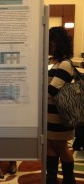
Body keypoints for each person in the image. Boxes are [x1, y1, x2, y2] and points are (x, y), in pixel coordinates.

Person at [47, 26, 76, 184]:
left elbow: (52, 89)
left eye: (51, 40)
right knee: (50, 147)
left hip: (60, 115)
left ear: (58, 42)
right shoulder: (53, 61)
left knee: (61, 146)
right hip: (50, 114)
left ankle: (69, 180)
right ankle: (51, 179)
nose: (49, 44)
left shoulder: (65, 64)